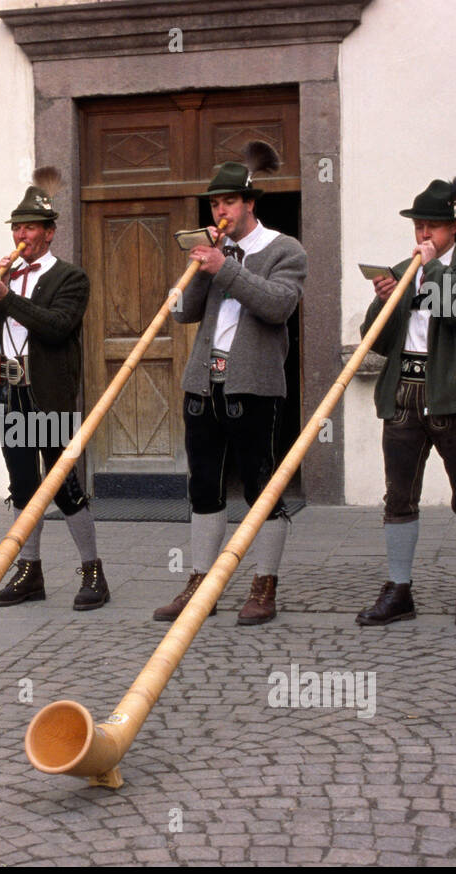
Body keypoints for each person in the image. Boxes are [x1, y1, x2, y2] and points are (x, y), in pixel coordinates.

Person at [154, 144, 307, 626]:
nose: (219, 210)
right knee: (203, 487)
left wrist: (229, 268)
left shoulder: (285, 249)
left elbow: (278, 305)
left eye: (228, 202)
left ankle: (265, 585)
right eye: (214, 203)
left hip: (255, 386)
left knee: (264, 488)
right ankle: (202, 583)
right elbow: (182, 312)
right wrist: (202, 270)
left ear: (249, 204)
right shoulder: (218, 252)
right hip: (203, 383)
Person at [0, 168, 109, 611]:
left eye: (30, 227)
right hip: (9, 392)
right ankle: (30, 571)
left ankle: (93, 572)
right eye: (17, 227)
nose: (21, 234)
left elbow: (57, 327)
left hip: (48, 394)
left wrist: (6, 297)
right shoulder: (6, 276)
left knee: (63, 485)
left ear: (49, 233)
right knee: (23, 485)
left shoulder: (69, 277)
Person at [355, 176, 456, 627]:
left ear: (454, 228)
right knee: (398, 498)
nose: (423, 236)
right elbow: (375, 341)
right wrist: (383, 302)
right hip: (404, 395)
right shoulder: (403, 270)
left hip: (455, 398)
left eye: (433, 226)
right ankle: (399, 590)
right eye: (419, 226)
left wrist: (428, 271)